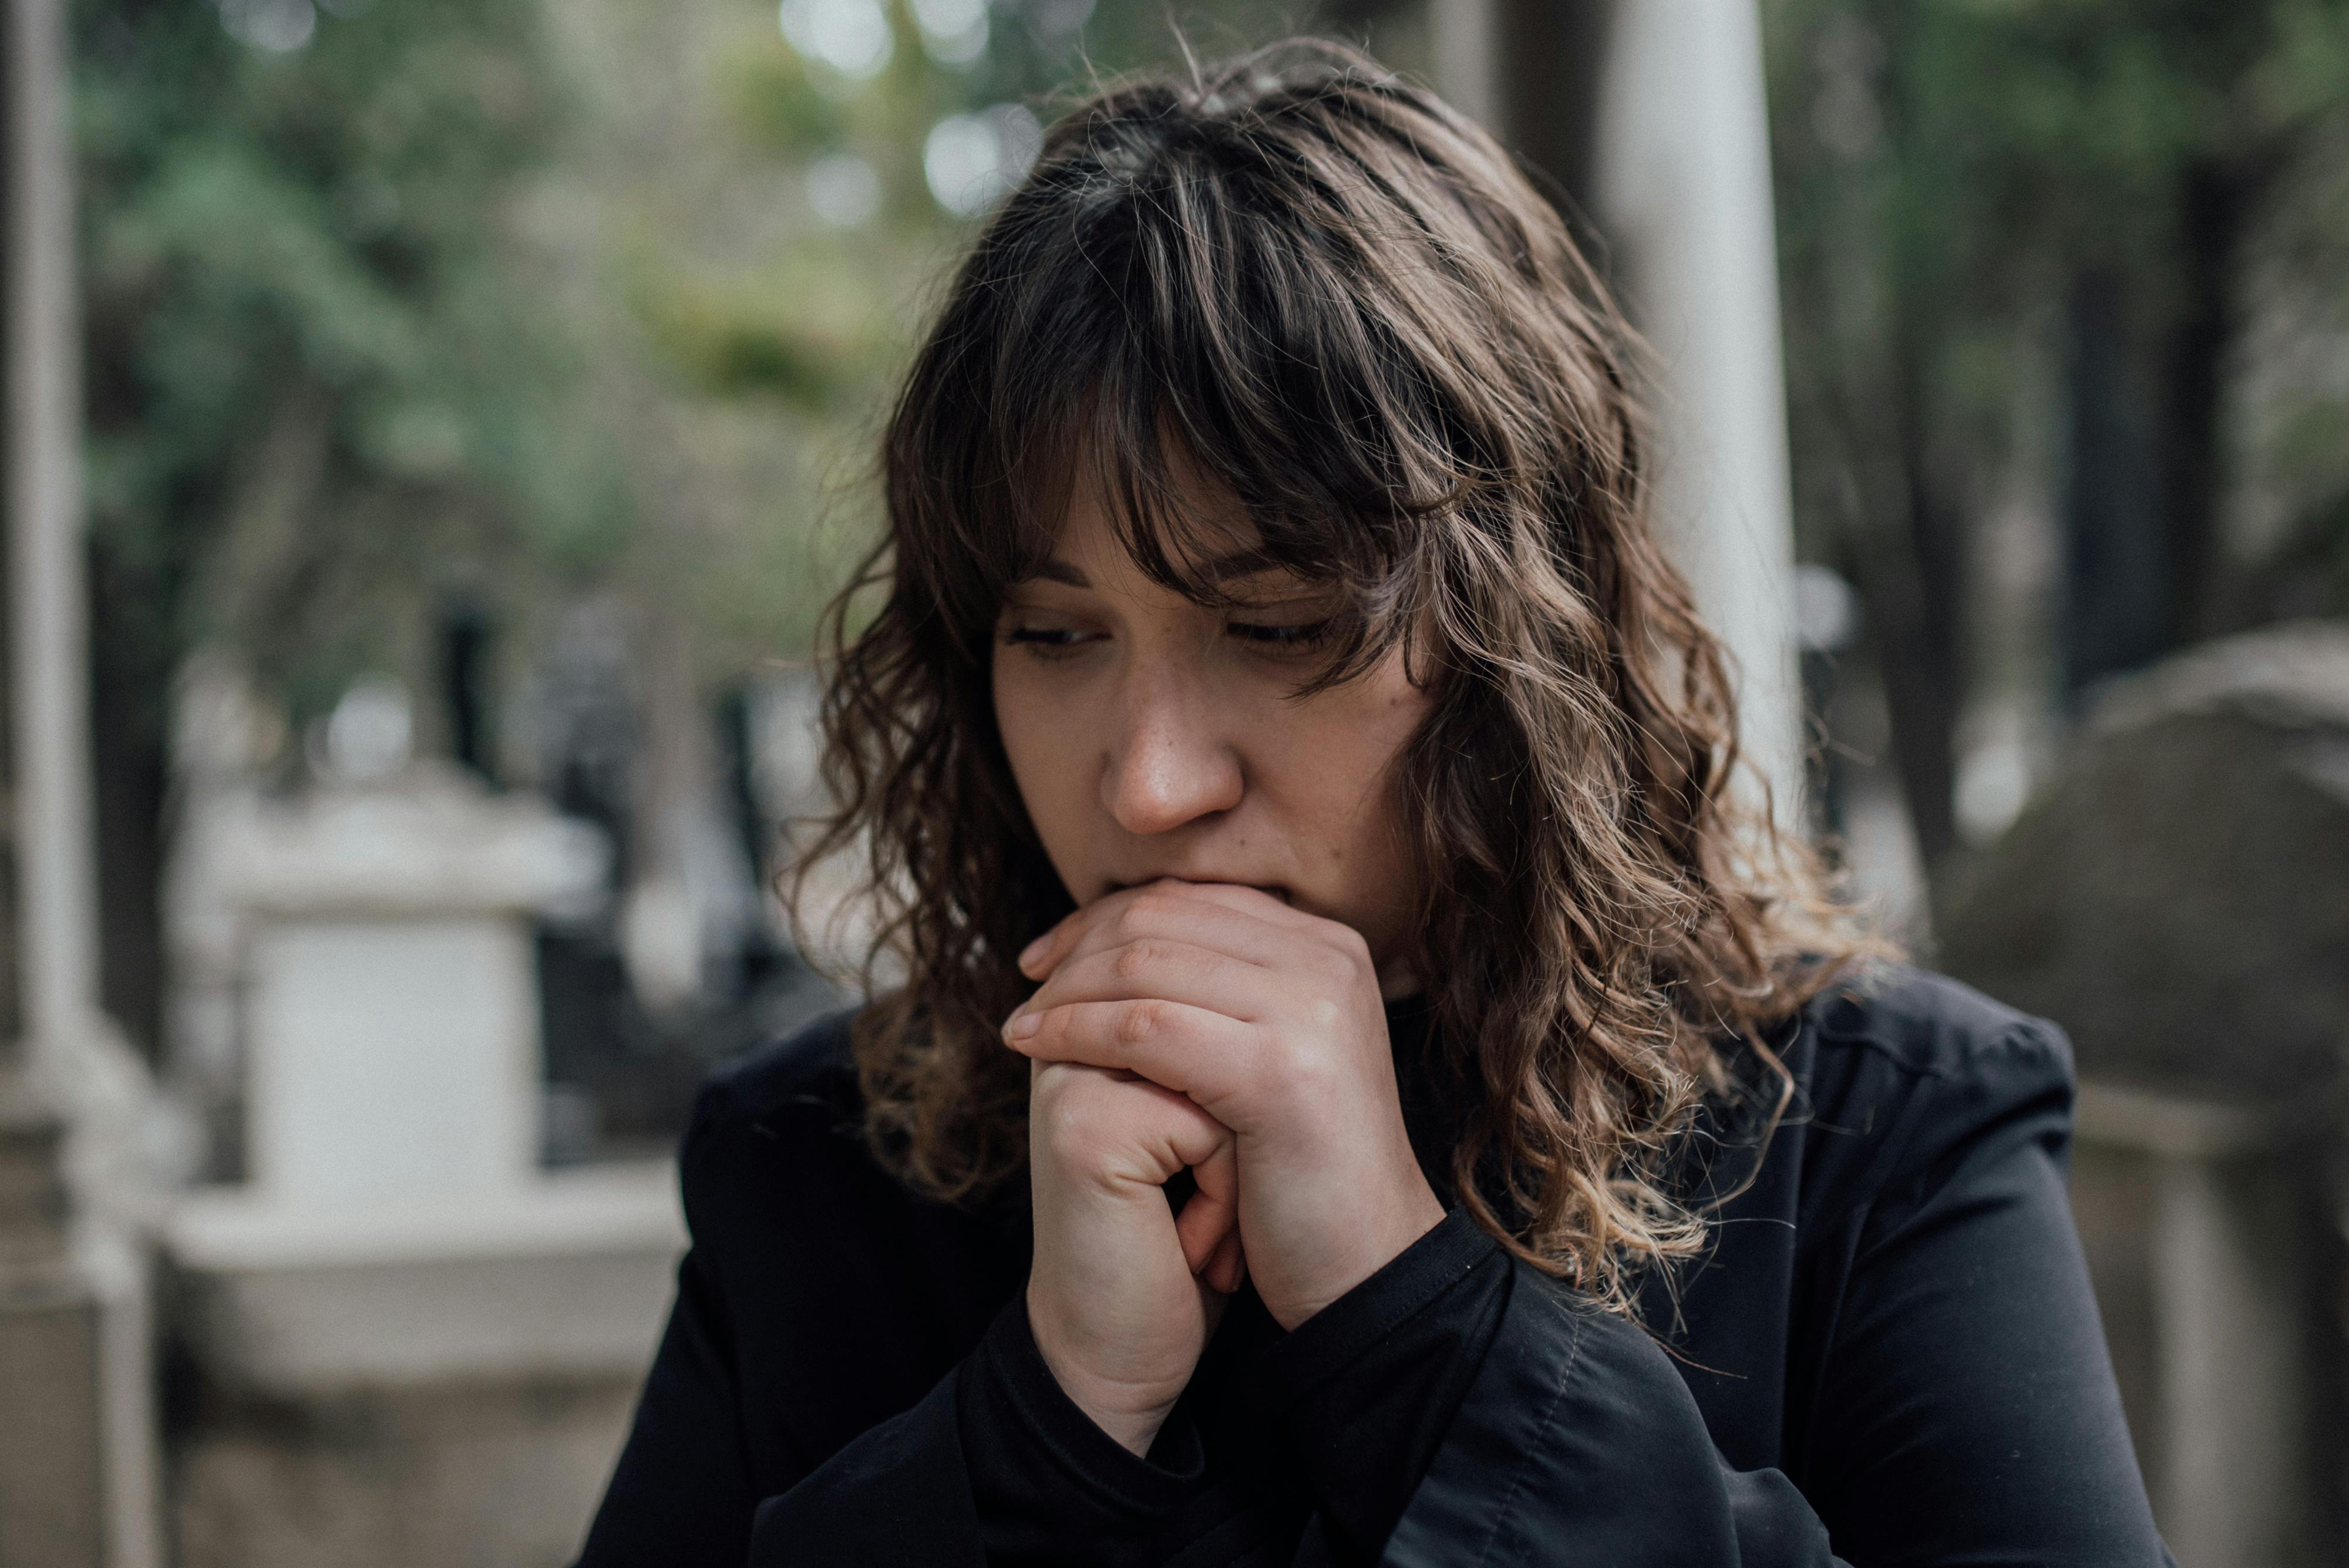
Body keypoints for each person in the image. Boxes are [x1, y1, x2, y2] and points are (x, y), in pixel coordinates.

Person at [574, 39, 2171, 1567]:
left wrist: (1412, 1320)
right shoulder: (824, 1167)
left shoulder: (1881, 1126)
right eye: (1055, 637)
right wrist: (1045, 1427)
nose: (1148, 781)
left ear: (1522, 644)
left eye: (1277, 631)